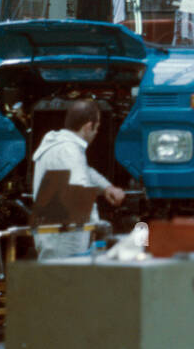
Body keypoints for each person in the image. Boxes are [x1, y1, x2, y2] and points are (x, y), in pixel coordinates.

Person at [31, 98, 126, 260]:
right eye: (97, 128)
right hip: (66, 238)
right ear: (88, 126)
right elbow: (80, 190)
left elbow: (85, 171)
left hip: (51, 234)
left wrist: (107, 187)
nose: (96, 133)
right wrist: (98, 226)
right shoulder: (70, 151)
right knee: (66, 281)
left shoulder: (58, 145)